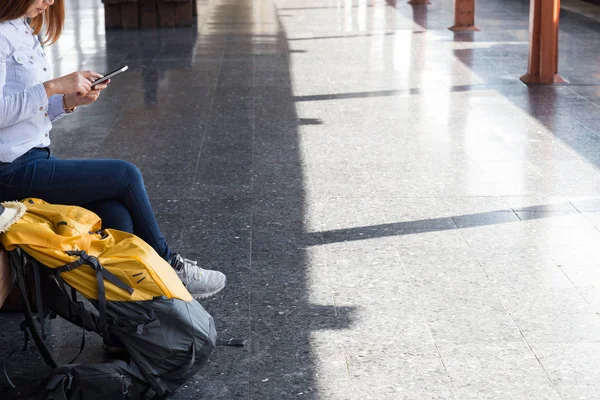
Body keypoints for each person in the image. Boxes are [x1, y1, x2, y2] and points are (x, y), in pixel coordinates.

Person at [0, 0, 226, 299]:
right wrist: (54, 86)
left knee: (116, 214)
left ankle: (129, 328)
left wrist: (68, 102)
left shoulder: (25, 29)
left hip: (33, 158)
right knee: (124, 174)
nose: (50, 2)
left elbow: (30, 112)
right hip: (10, 170)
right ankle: (170, 267)